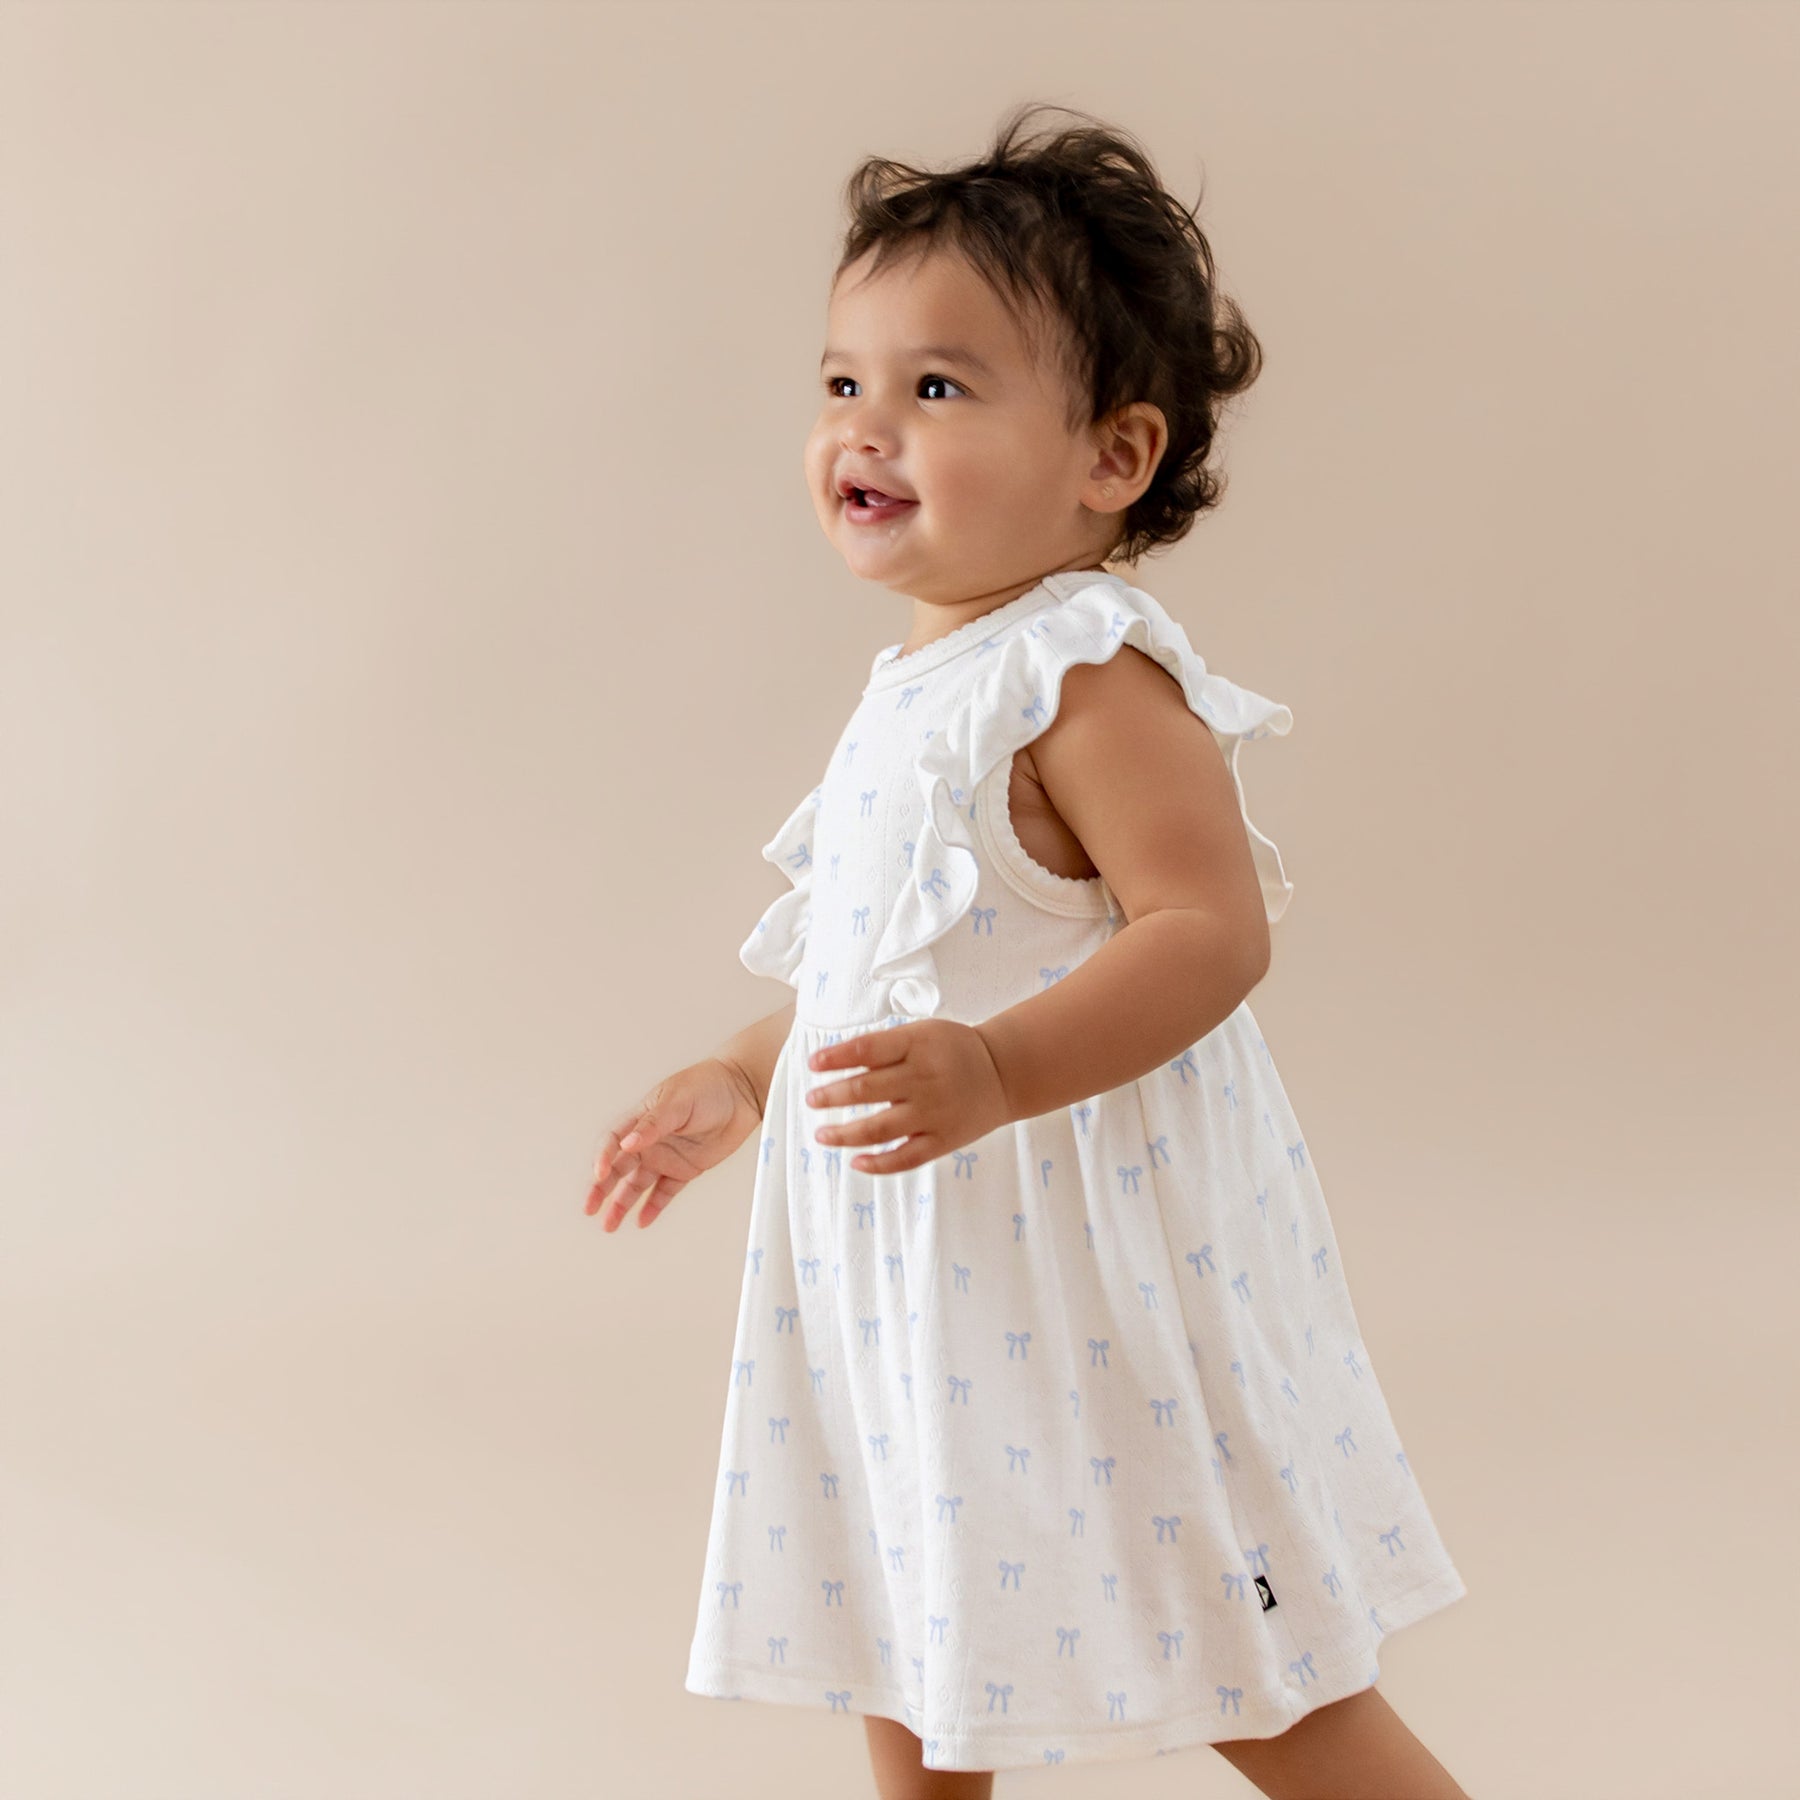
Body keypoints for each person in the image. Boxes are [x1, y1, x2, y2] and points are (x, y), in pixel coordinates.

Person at [585, 102, 1472, 1800]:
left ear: (1112, 457)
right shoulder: (915, 689)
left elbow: (1211, 930)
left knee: (1242, 1659)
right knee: (909, 1623)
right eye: (843, 381)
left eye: (937, 387)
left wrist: (999, 1071)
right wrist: (746, 1078)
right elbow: (885, 963)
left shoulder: (1086, 677)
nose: (866, 425)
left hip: (1072, 1291)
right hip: (917, 1284)